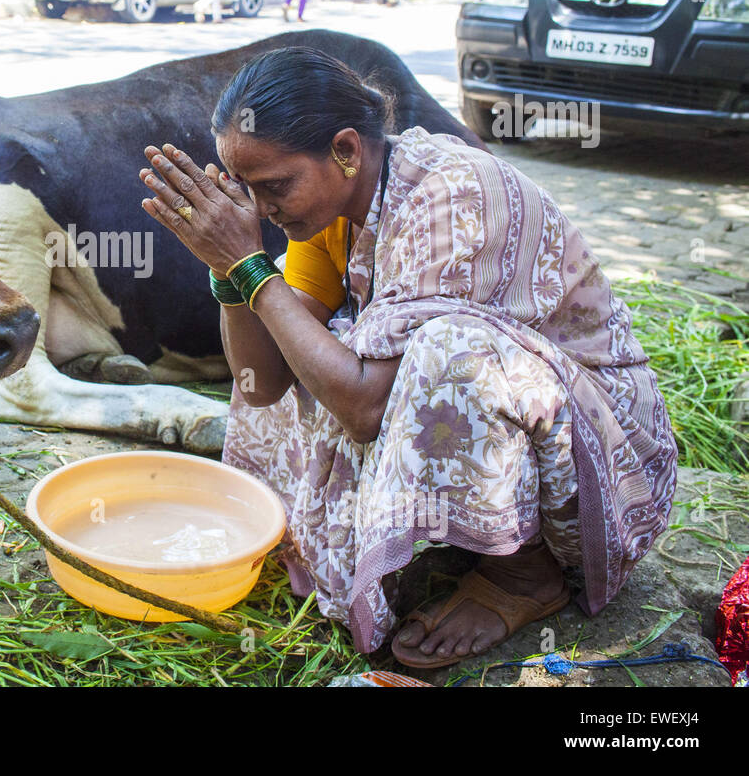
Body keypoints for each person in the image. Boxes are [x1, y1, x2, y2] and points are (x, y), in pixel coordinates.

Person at [137, 47, 677, 668]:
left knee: (447, 352)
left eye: (275, 187)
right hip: (529, 430)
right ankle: (469, 536)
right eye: (248, 193)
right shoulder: (331, 212)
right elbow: (263, 386)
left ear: (345, 149)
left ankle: (527, 576)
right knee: (302, 332)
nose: (261, 210)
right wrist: (227, 273)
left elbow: (364, 409)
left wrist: (252, 268)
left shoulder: (452, 192)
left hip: (604, 446)